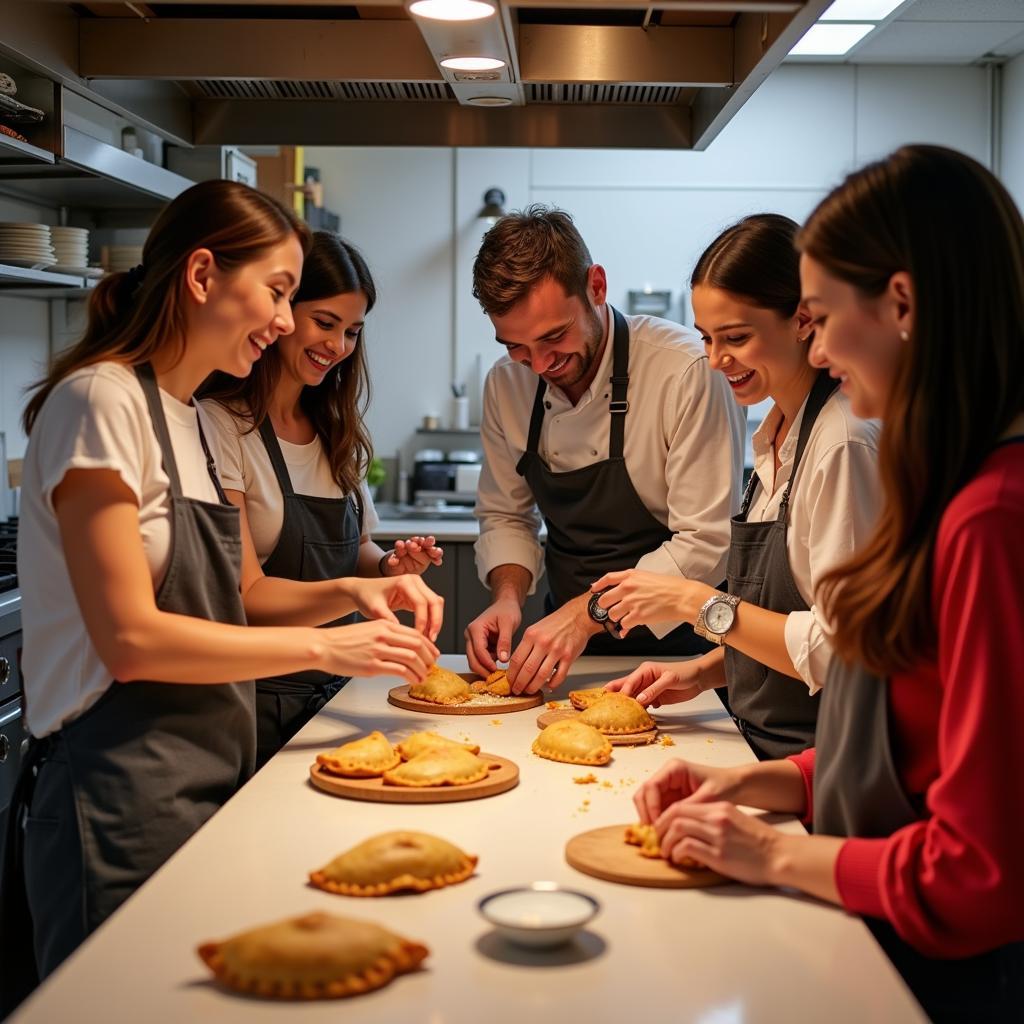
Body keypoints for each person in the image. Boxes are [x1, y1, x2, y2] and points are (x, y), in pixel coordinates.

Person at [0, 181, 438, 1011]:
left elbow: (232, 593)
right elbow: (130, 639)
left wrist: (353, 589)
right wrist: (331, 644)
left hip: (208, 775)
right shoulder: (99, 401)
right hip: (116, 788)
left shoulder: (192, 418)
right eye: (277, 291)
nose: (283, 320)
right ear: (202, 275)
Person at [631, 146, 1024, 1022]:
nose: (819, 344)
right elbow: (910, 754)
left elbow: (980, 873)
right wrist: (769, 786)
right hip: (872, 921)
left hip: (938, 978)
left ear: (903, 305)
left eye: (818, 316)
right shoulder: (949, 491)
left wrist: (772, 857)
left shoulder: (991, 518)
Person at [596, 214, 881, 758]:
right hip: (765, 744)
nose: (715, 359)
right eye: (706, 337)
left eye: (737, 338)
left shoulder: (842, 443)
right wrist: (704, 672)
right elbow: (785, 621)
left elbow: (838, 647)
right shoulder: (776, 435)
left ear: (802, 319)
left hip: (824, 764)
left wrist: (692, 600)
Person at [465, 205, 745, 693]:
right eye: (516, 347)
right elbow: (506, 514)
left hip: (685, 658)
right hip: (566, 652)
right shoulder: (506, 386)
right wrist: (507, 596)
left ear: (596, 286)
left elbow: (707, 540)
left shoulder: (683, 370)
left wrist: (587, 612)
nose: (540, 364)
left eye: (555, 336)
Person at [200, 232, 444, 768]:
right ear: (282, 314)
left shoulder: (334, 429)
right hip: (257, 705)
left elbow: (354, 548)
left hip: (342, 696)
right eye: (326, 323)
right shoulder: (221, 425)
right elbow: (249, 593)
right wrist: (358, 592)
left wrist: (387, 567)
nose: (338, 347)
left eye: (352, 331)